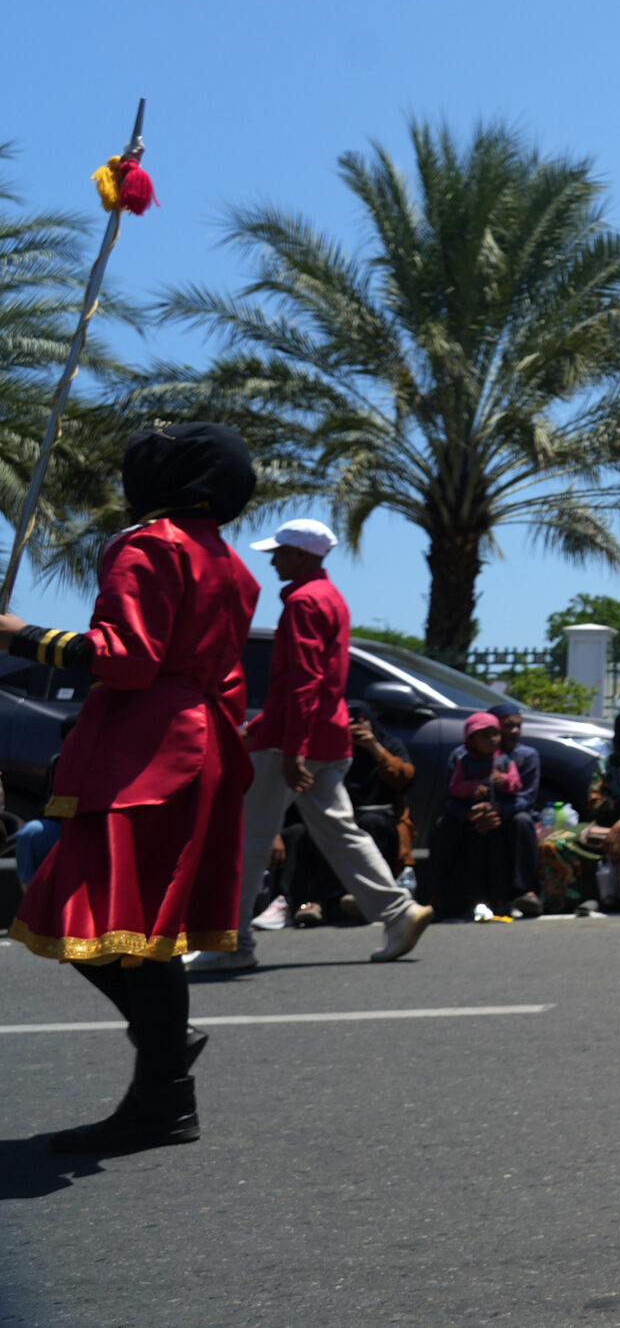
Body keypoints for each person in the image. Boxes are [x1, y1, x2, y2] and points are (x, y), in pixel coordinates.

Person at [6, 424, 262, 1150]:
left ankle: (164, 1079)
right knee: (134, 926)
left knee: (95, 912)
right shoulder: (225, 558)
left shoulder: (150, 544)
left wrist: (19, 636)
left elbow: (126, 658)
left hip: (147, 749)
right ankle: (165, 1067)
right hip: (198, 740)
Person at [186, 520, 433, 970]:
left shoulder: (302, 601)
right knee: (339, 831)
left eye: (279, 553)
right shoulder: (330, 597)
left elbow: (302, 682)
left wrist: (290, 747)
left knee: (251, 837)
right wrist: (266, 728)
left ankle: (234, 944)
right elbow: (310, 683)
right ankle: (399, 911)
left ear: (301, 556)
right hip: (325, 734)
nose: (273, 560)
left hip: (292, 740)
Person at [274, 698, 417, 926]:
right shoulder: (329, 753)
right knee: (308, 830)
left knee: (369, 824)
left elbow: (404, 778)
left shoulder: (389, 745)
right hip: (335, 815)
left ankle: (358, 899)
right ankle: (305, 903)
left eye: (361, 722)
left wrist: (374, 747)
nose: (355, 729)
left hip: (378, 817)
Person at [537, 707, 620, 912]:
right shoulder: (607, 764)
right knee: (553, 844)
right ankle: (570, 901)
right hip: (602, 824)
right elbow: (594, 800)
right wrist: (609, 811)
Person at [433, 713, 525, 919]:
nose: (492, 739)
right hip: (472, 822)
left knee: (499, 858)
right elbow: (454, 788)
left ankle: (502, 900)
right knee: (473, 858)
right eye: (485, 736)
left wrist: (504, 782)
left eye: (494, 734)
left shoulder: (504, 760)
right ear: (471, 739)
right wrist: (473, 789)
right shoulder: (463, 760)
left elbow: (517, 785)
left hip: (498, 821)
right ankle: (471, 901)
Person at [488, 702, 545, 917]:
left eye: (518, 726)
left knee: (521, 821)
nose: (514, 731)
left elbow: (527, 797)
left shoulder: (527, 756)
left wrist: (501, 809)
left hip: (513, 810)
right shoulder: (471, 755)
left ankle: (526, 892)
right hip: (485, 811)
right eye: (508, 726)